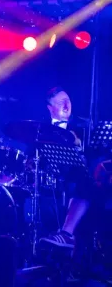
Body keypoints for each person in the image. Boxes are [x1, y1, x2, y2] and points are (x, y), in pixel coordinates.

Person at [40, 87, 92, 249]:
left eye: (68, 100)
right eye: (61, 102)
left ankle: (67, 234)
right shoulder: (39, 127)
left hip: (74, 177)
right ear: (50, 108)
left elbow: (92, 155)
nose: (66, 105)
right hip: (46, 177)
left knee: (84, 182)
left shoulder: (83, 127)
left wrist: (78, 144)